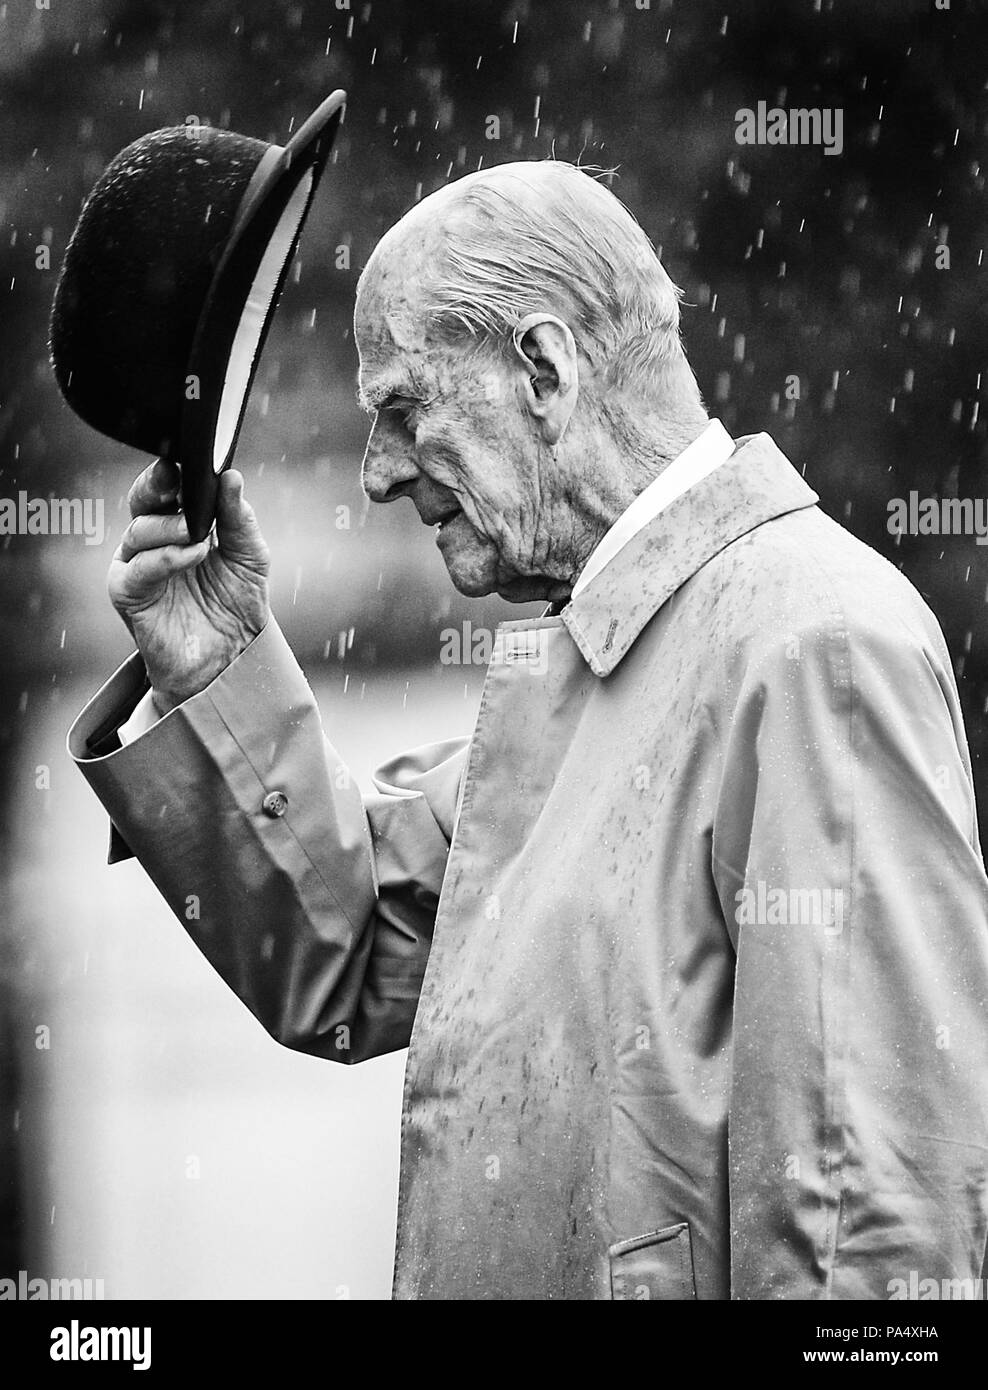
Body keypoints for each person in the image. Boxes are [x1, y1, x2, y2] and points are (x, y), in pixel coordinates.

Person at [69, 161, 988, 1300]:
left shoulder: (812, 640)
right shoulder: (617, 643)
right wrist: (213, 664)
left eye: (404, 411)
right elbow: (348, 952)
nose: (378, 473)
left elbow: (869, 1225)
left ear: (542, 370)